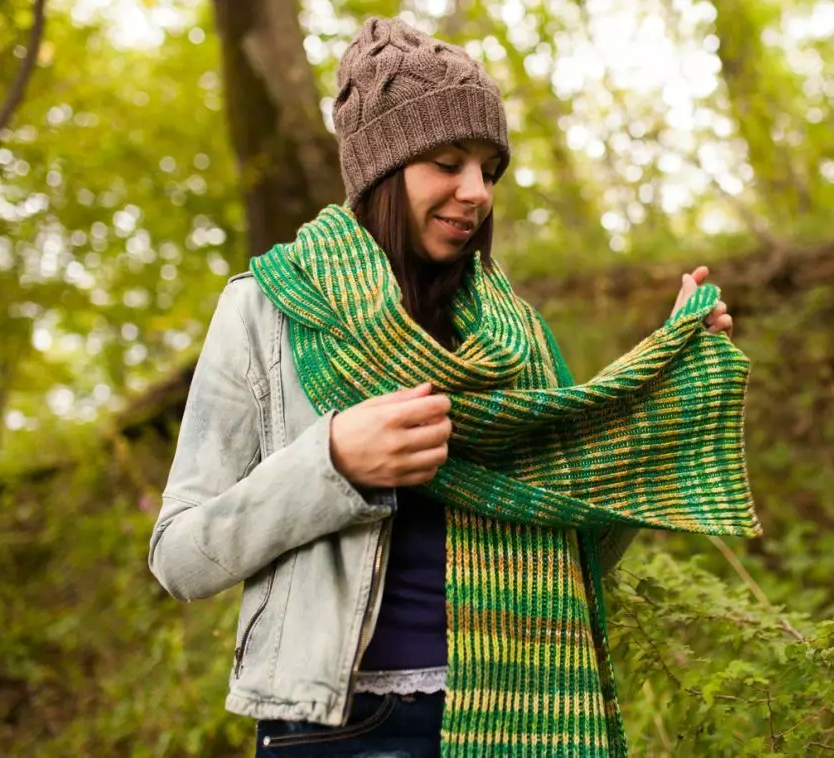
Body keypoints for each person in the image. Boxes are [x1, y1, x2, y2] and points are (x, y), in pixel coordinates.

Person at [148, 16, 758, 758]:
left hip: (522, 716)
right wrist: (331, 463)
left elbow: (579, 546)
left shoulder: (514, 335)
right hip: (336, 730)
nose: (476, 192)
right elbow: (179, 555)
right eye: (447, 161)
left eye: (489, 170)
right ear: (380, 169)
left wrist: (656, 400)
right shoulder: (267, 310)